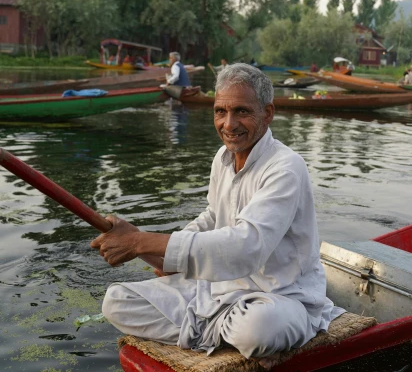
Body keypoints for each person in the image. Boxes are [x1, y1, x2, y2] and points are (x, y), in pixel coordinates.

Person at [91, 64, 342, 359]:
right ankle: (218, 330)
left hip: (280, 298)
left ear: (268, 113)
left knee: (259, 328)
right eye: (220, 112)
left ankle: (205, 329)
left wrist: (139, 242)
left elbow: (246, 246)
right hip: (218, 290)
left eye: (242, 111)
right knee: (116, 301)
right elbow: (212, 218)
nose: (228, 123)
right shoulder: (222, 158)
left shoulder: (286, 167)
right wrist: (163, 254)